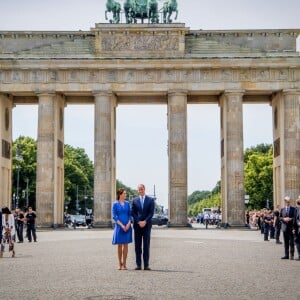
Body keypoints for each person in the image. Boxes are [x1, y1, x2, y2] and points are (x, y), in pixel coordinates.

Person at [131, 184, 154, 270]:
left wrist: (145, 221)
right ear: (138, 190)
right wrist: (138, 221)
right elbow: (132, 212)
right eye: (139, 189)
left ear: (144, 189)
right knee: (137, 246)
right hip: (137, 225)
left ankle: (146, 265)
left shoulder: (151, 200)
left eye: (142, 189)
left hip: (147, 225)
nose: (140, 191)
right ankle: (138, 265)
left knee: (146, 245)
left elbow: (151, 213)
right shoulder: (134, 200)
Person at [112, 188, 132, 270]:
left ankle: (125, 264)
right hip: (119, 226)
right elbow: (114, 216)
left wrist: (128, 224)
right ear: (120, 194)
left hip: (127, 226)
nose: (125, 195)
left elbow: (130, 215)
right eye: (124, 193)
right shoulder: (115, 204)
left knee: (126, 245)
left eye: (125, 193)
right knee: (120, 245)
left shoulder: (127, 203)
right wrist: (121, 225)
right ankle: (119, 263)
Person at [293, 196, 300, 261]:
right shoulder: (296, 209)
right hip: (297, 229)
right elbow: (295, 219)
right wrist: (293, 228)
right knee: (297, 241)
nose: (297, 199)